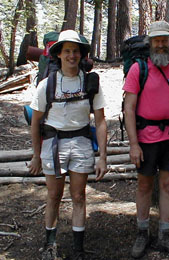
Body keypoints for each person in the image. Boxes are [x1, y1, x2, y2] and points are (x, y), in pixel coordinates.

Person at [28, 30, 107, 260]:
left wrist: (103, 156)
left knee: (79, 196)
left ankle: (78, 249)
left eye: (75, 51)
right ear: (59, 55)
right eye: (67, 51)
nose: (72, 55)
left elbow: (101, 121)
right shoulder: (47, 85)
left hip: (81, 143)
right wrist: (36, 155)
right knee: (53, 196)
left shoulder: (91, 83)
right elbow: (35, 123)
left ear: (81, 55)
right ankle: (49, 244)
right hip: (53, 144)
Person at [123, 20, 169, 258]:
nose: (161, 45)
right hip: (145, 137)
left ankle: (165, 235)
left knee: (168, 185)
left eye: (165, 40)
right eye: (157, 41)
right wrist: (134, 144)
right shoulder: (138, 69)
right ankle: (142, 233)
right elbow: (129, 109)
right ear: (150, 43)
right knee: (144, 185)